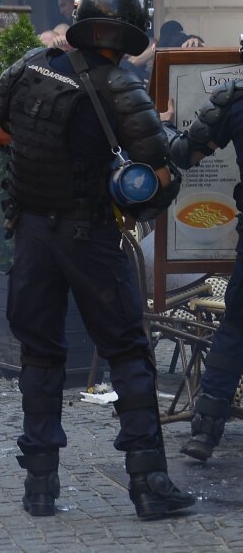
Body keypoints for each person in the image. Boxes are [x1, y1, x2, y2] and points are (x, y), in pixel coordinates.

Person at [0, 0, 193, 520]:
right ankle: (149, 484)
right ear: (129, 32)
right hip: (88, 236)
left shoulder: (29, 66)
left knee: (40, 352)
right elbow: (158, 172)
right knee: (127, 350)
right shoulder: (121, 84)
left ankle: (39, 487)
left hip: (31, 234)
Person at [167, 77, 243, 463]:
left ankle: (206, 433)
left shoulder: (235, 98)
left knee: (236, 329)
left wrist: (161, 124)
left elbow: (185, 153)